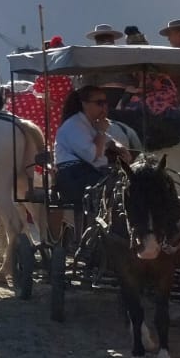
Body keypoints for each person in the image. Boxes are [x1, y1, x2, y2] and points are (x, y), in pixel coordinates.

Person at [54, 86, 134, 247]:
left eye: (106, 103)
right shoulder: (73, 126)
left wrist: (119, 148)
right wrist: (102, 133)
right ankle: (97, 237)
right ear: (84, 104)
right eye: (99, 103)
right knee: (116, 189)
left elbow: (109, 142)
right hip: (74, 176)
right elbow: (92, 155)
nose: (104, 107)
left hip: (88, 173)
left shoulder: (90, 125)